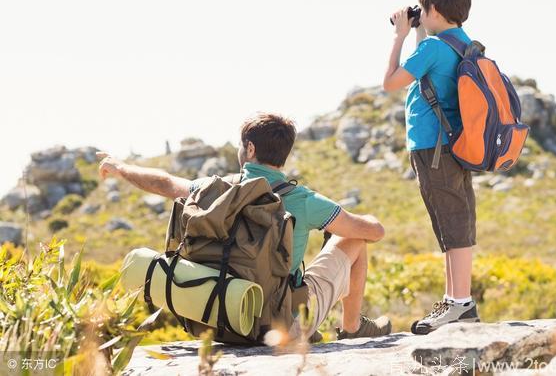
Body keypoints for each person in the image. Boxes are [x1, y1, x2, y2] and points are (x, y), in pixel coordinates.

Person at [97, 112, 392, 341]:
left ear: (249, 148)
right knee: (352, 241)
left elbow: (163, 182)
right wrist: (366, 220)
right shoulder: (303, 200)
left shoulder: (211, 189)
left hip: (222, 317)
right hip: (278, 328)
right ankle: (352, 328)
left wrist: (121, 168)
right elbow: (373, 232)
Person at [382, 0, 480, 334]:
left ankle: (459, 303)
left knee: (450, 223)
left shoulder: (432, 49)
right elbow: (430, 72)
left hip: (432, 147)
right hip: (455, 146)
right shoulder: (461, 43)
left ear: (433, 10)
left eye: (423, 10)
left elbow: (391, 81)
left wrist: (399, 36)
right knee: (454, 219)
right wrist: (419, 32)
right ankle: (455, 299)